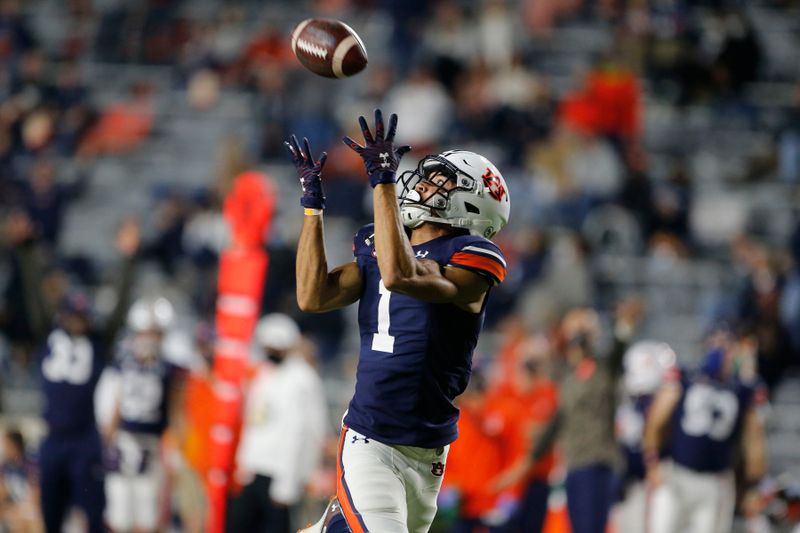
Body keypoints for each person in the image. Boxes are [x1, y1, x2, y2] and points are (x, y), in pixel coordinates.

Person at [288, 109, 510, 533]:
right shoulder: (377, 242)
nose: (424, 183)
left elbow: (402, 274)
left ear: (473, 204)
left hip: (428, 454)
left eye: (444, 182)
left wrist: (382, 183)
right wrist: (312, 210)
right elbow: (312, 295)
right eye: (428, 176)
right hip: (371, 437)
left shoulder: (473, 257)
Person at [9, 216, 140, 533]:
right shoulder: (49, 333)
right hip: (54, 438)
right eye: (73, 315)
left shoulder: (99, 342)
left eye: (83, 315)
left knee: (94, 516)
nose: (78, 321)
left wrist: (129, 260)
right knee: (50, 515)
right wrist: (26, 251)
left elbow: (121, 307)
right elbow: (34, 298)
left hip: (84, 439)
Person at [493, 300, 643, 533]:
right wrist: (527, 460)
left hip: (597, 460)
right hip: (573, 462)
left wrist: (624, 326)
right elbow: (556, 422)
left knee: (590, 527)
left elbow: (617, 352)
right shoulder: (568, 376)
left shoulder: (601, 370)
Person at [643, 332, 768, 533]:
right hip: (677, 473)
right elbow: (657, 418)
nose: (719, 350)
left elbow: (754, 439)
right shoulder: (686, 376)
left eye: (725, 344)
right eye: (715, 343)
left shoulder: (744, 388)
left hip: (716, 482)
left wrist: (753, 485)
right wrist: (652, 461)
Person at [226, 313, 328, 533]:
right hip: (255, 468)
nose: (271, 353)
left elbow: (303, 433)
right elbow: (254, 421)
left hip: (281, 474)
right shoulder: (263, 373)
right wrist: (243, 463)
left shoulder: (302, 379)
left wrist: (288, 483)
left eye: (276, 348)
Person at [104, 297, 186, 533]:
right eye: (145, 332)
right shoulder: (122, 361)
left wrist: (175, 448)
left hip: (151, 443)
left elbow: (175, 408)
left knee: (148, 513)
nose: (149, 338)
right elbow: (116, 402)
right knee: (119, 513)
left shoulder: (170, 367)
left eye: (154, 333)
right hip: (124, 440)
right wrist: (108, 438)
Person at [612, 340, 676, 532]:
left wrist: (653, 461)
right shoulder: (623, 396)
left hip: (658, 474)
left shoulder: (666, 397)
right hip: (629, 475)